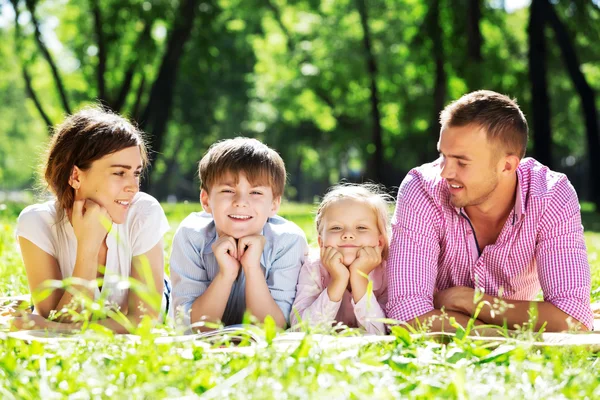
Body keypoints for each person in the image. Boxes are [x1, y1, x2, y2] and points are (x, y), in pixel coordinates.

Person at [386, 90, 593, 332]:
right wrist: (494, 333)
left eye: (462, 162)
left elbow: (573, 318)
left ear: (507, 165)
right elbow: (406, 313)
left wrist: (469, 301)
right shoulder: (421, 189)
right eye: (443, 156)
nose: (445, 172)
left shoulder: (550, 195)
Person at [14, 107, 170, 333]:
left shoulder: (144, 212)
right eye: (119, 173)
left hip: (161, 289)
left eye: (136, 173)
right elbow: (57, 317)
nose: (133, 186)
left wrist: (55, 329)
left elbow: (144, 321)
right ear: (75, 176)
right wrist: (87, 248)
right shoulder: (37, 223)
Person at [170, 137, 308, 330]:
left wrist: (252, 269)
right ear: (206, 200)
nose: (241, 202)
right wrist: (226, 274)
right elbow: (193, 328)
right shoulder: (191, 235)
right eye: (228, 190)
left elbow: (273, 329)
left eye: (256, 193)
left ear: (274, 204)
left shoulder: (288, 240)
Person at [291, 184, 389, 334]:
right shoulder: (313, 268)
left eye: (361, 228)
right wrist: (338, 281)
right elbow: (300, 330)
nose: (348, 234)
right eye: (336, 228)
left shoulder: (388, 271)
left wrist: (359, 277)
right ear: (321, 243)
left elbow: (382, 332)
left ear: (380, 242)